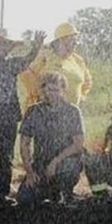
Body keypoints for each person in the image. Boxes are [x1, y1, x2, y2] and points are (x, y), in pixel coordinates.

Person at [0, 29, 46, 206]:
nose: (1, 50)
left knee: (6, 157)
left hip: (7, 118)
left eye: (5, 46)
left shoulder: (12, 64)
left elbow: (27, 60)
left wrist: (36, 47)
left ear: (9, 50)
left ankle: (2, 192)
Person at [16, 71, 85, 206]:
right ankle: (49, 192)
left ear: (63, 90)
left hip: (64, 161)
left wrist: (55, 161)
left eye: (56, 90)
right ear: (43, 90)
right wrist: (29, 172)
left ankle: (66, 193)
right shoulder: (33, 111)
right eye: (49, 90)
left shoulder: (73, 112)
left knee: (69, 167)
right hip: (40, 164)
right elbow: (24, 144)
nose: (52, 93)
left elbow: (78, 144)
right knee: (24, 199)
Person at [20, 22, 92, 108]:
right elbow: (26, 75)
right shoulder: (45, 56)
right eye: (72, 40)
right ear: (62, 40)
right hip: (47, 110)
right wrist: (38, 95)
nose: (76, 43)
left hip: (71, 112)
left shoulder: (77, 60)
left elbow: (87, 82)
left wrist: (80, 96)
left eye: (76, 40)